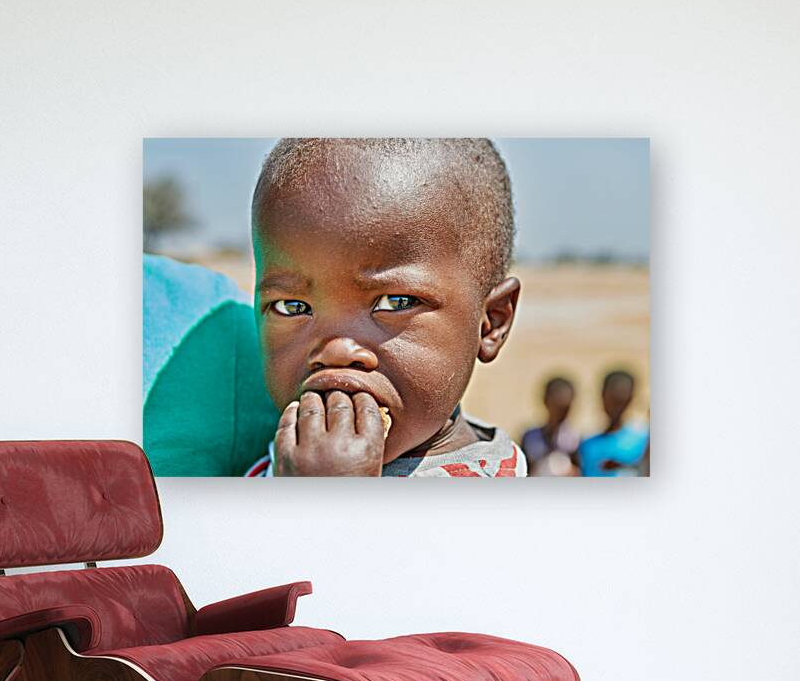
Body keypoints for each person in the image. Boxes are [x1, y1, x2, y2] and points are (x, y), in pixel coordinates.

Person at [243, 138, 527, 476]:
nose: (336, 351)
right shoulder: (287, 452)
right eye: (292, 306)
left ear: (491, 322)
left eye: (396, 302)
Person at [579, 369, 650, 477]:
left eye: (621, 401)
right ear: (602, 396)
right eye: (613, 400)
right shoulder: (587, 443)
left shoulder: (643, 440)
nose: (616, 408)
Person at [520, 376, 580, 476]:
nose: (560, 413)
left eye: (564, 409)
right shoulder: (530, 438)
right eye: (557, 406)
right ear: (545, 401)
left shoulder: (574, 439)